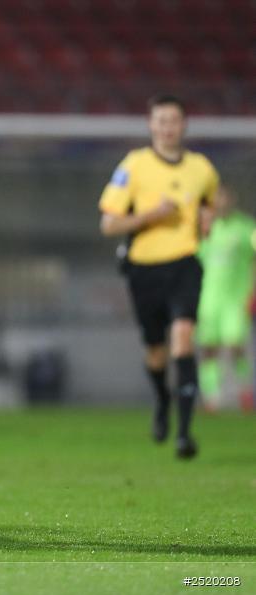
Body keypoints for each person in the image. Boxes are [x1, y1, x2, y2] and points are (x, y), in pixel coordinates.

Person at [99, 94, 219, 460]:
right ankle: (163, 399)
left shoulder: (202, 168)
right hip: (144, 268)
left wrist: (207, 218)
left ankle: (184, 434)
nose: (168, 128)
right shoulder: (134, 166)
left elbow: (210, 201)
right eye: (161, 121)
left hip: (185, 263)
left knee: (184, 337)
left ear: (184, 125)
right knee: (156, 349)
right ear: (151, 125)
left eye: (174, 121)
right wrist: (151, 216)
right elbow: (109, 224)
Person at [196, 186, 255, 411]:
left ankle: (245, 394)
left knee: (235, 345)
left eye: (225, 198)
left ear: (232, 200)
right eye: (216, 199)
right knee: (209, 349)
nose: (221, 203)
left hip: (236, 299)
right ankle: (211, 398)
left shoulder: (246, 227)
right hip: (208, 300)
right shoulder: (205, 230)